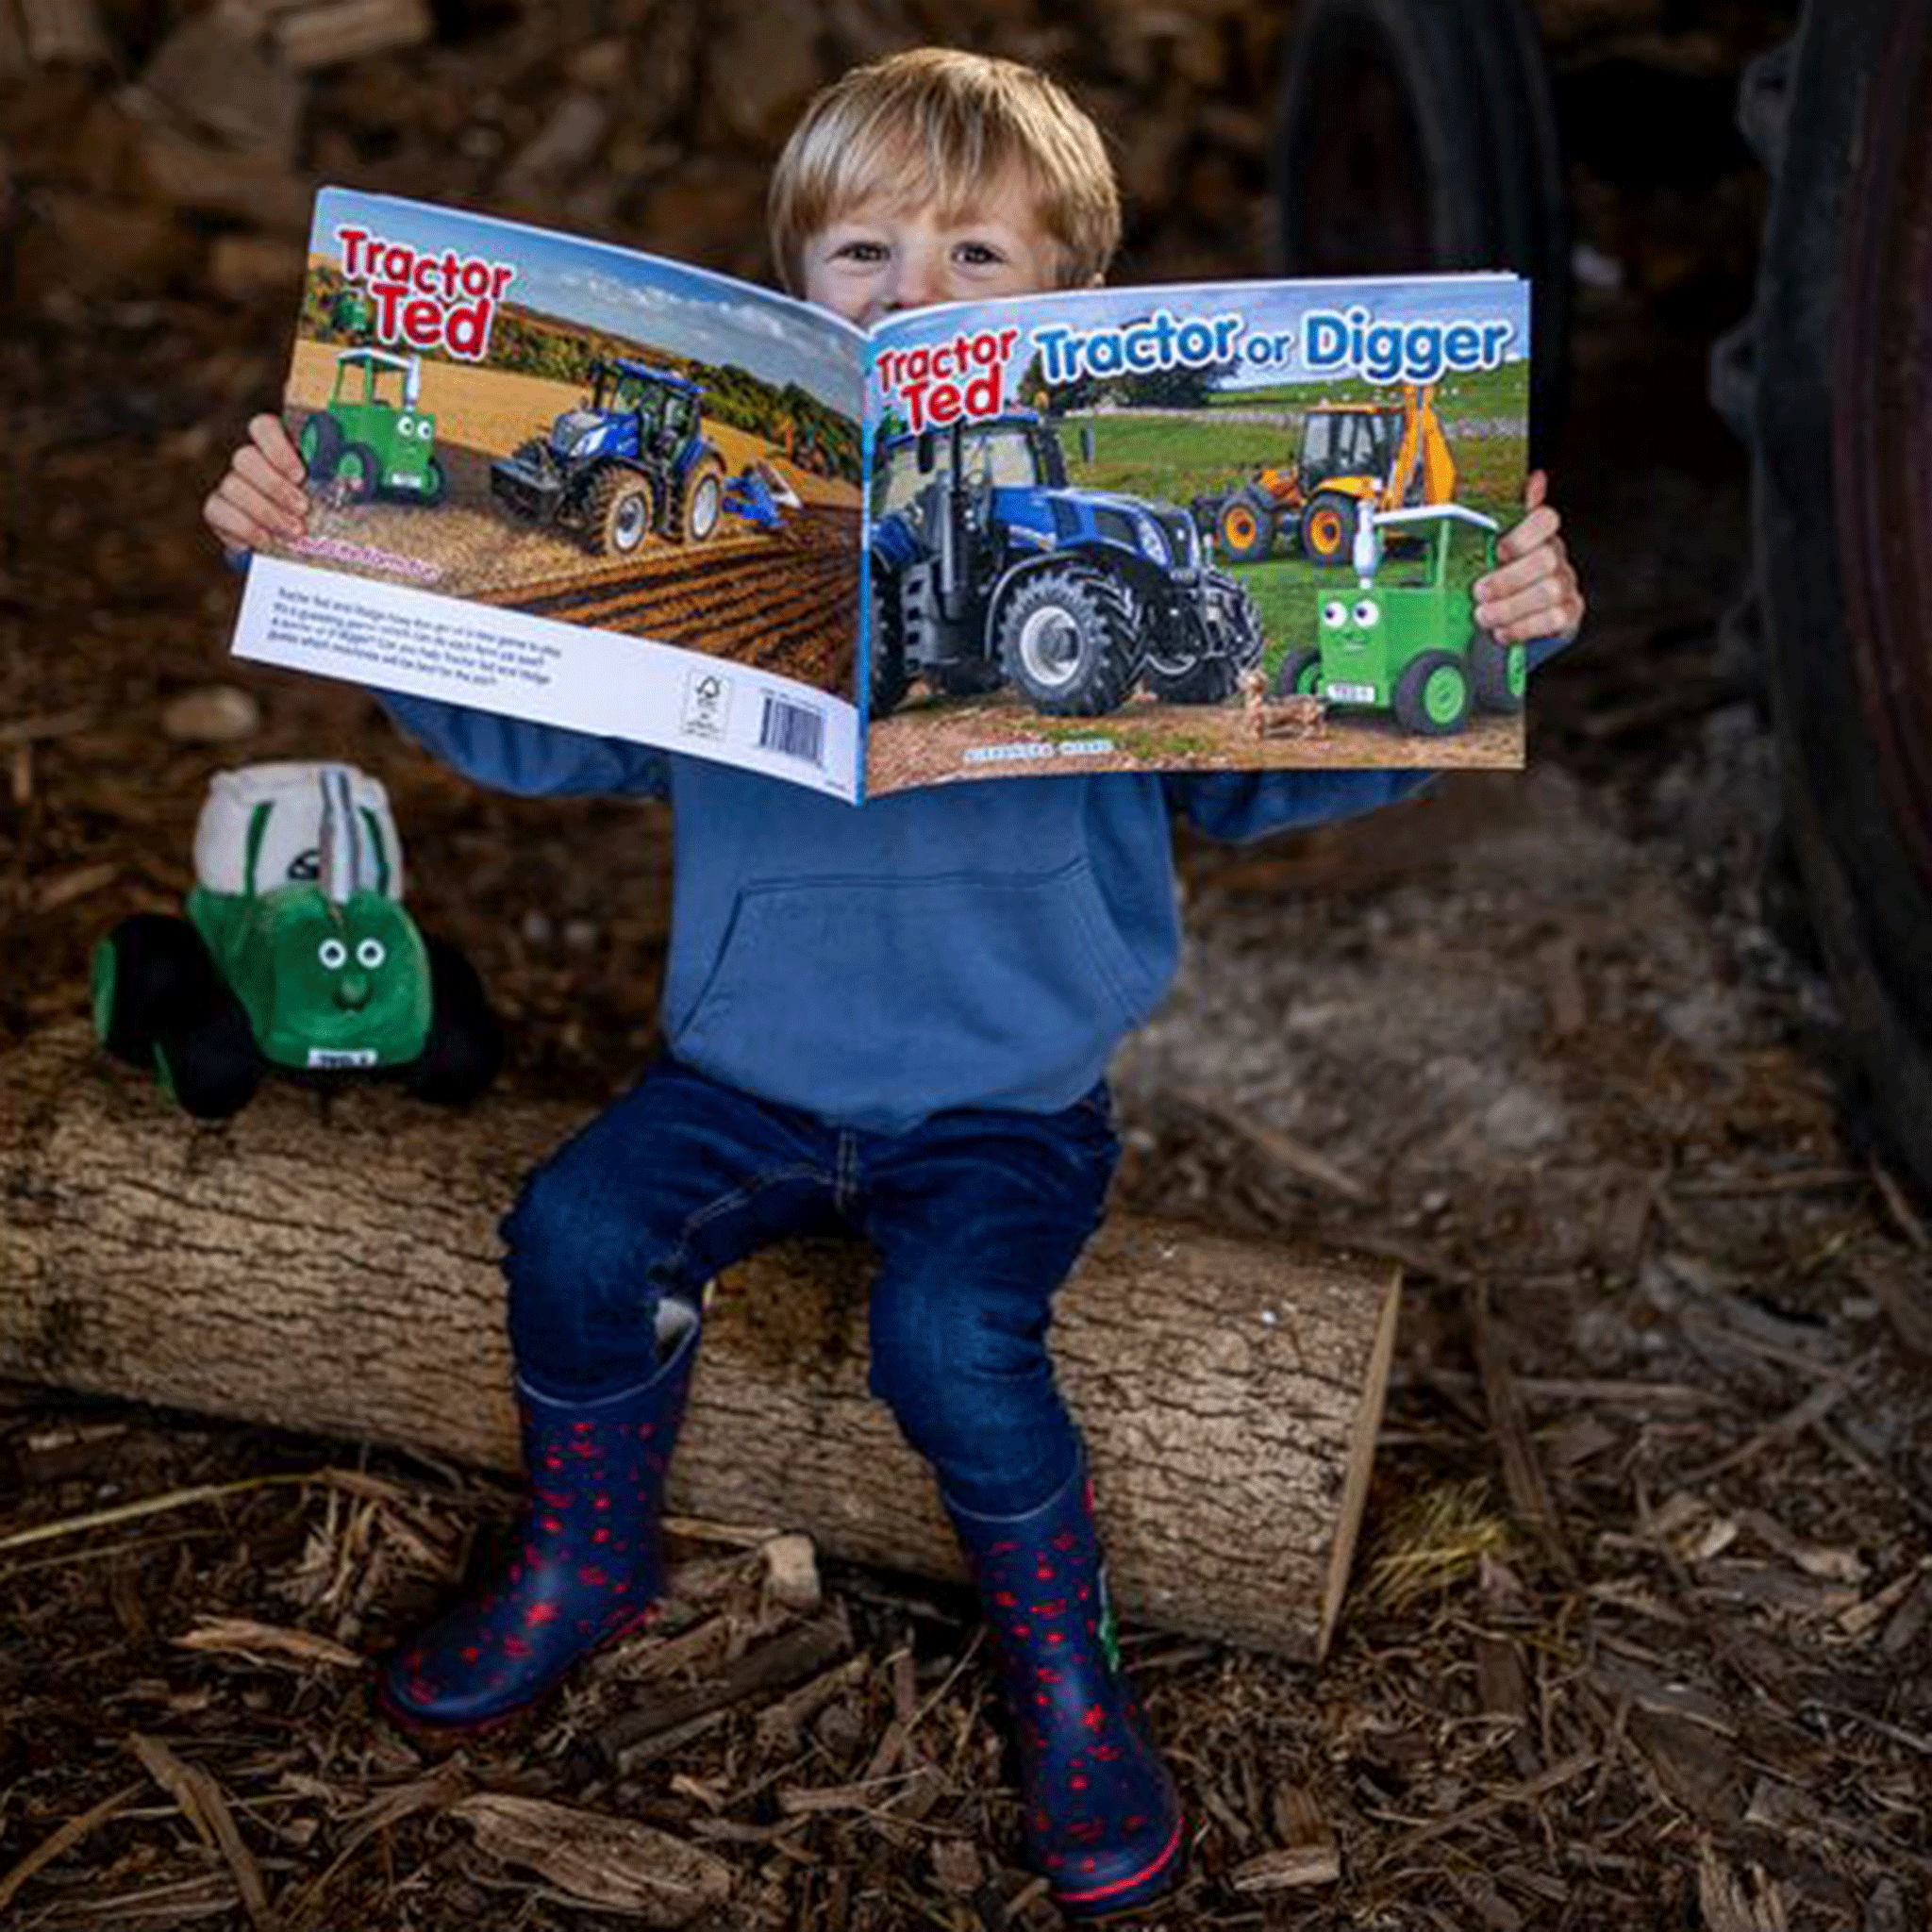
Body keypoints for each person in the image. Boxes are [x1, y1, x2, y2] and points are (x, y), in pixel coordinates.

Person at [204, 47, 1584, 1919]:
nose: (910, 288)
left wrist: (1482, 641)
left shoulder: (1089, 539)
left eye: (972, 254)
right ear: (794, 294)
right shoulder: (755, 550)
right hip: (745, 1075)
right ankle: (587, 1550)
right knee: (578, 1233)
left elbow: (1270, 771)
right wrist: (335, 568)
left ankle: (1059, 1662)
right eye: (862, 249)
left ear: (1068, 305)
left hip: (1003, 1108)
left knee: (949, 1340)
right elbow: (539, 743)